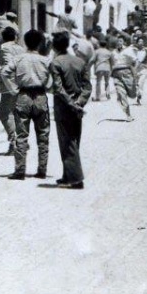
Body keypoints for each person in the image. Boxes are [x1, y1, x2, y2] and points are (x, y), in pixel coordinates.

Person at [5, 30, 52, 180]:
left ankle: (20, 170)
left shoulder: (18, 59)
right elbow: (54, 77)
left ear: (25, 42)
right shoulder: (45, 60)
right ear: (39, 43)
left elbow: (4, 72)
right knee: (43, 135)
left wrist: (13, 89)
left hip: (23, 96)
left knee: (21, 134)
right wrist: (48, 86)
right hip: (40, 96)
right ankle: (42, 169)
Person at [50, 32, 92, 189]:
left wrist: (71, 104)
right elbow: (87, 86)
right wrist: (79, 103)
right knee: (74, 140)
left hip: (64, 107)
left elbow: (58, 88)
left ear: (54, 46)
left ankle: (75, 179)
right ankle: (67, 174)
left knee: (66, 142)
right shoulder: (80, 62)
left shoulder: (56, 63)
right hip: (77, 108)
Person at [0, 25, 25, 155]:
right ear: (15, 36)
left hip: (9, 84)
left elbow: (6, 65)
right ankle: (19, 142)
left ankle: (14, 142)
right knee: (14, 113)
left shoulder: (4, 47)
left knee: (4, 113)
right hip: (20, 82)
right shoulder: (20, 48)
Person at [110, 35, 138, 121]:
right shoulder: (113, 52)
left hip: (127, 73)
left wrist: (135, 74)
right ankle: (128, 115)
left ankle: (137, 91)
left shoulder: (128, 50)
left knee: (133, 94)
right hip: (116, 74)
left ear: (124, 42)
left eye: (120, 41)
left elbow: (135, 61)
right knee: (121, 94)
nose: (119, 43)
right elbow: (111, 64)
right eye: (117, 41)